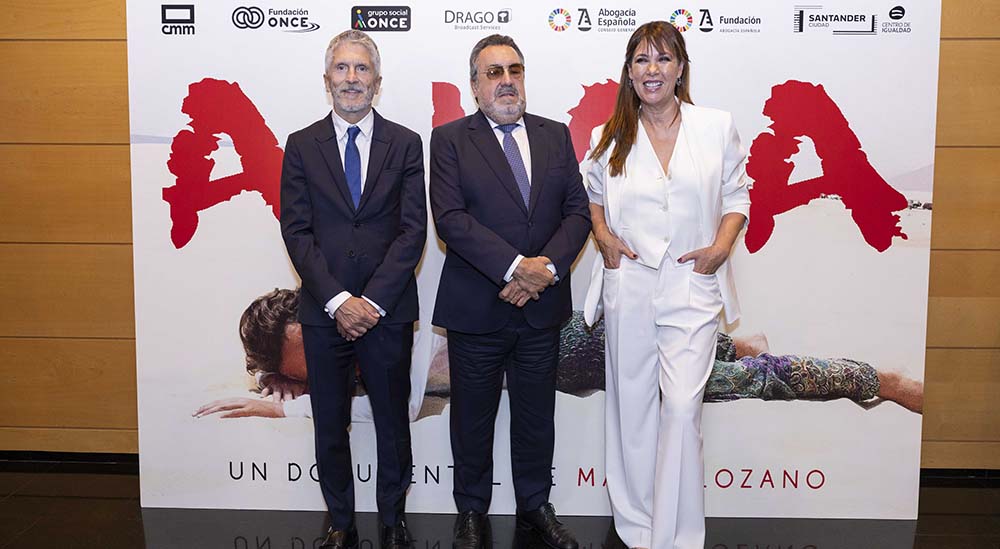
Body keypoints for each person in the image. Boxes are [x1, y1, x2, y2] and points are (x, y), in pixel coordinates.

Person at [580, 21, 751, 549]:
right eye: (641, 60)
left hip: (690, 284)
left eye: (662, 59)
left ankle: (676, 535)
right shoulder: (606, 136)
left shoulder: (716, 126)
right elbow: (594, 195)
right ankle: (636, 525)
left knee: (679, 407)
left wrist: (721, 248)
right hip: (628, 283)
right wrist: (604, 236)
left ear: (680, 68)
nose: (651, 70)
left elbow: (737, 197)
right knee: (632, 409)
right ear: (628, 72)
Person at [429, 34, 591, 549]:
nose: (506, 81)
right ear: (474, 85)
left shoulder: (555, 135)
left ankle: (535, 508)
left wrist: (543, 270)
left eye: (514, 71)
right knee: (472, 420)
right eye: (493, 72)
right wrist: (516, 268)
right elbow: (451, 221)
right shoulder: (450, 139)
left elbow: (577, 213)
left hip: (540, 309)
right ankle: (471, 513)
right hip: (477, 308)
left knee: (536, 418)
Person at [279, 30, 426, 549]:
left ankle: (393, 519)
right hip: (324, 313)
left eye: (361, 69)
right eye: (341, 69)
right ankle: (340, 522)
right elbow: (296, 232)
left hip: (386, 311)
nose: (351, 79)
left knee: (393, 422)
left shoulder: (406, 144)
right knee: (330, 426)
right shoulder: (300, 145)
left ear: (377, 82)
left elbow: (413, 231)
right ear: (327, 81)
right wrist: (340, 301)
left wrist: (373, 302)